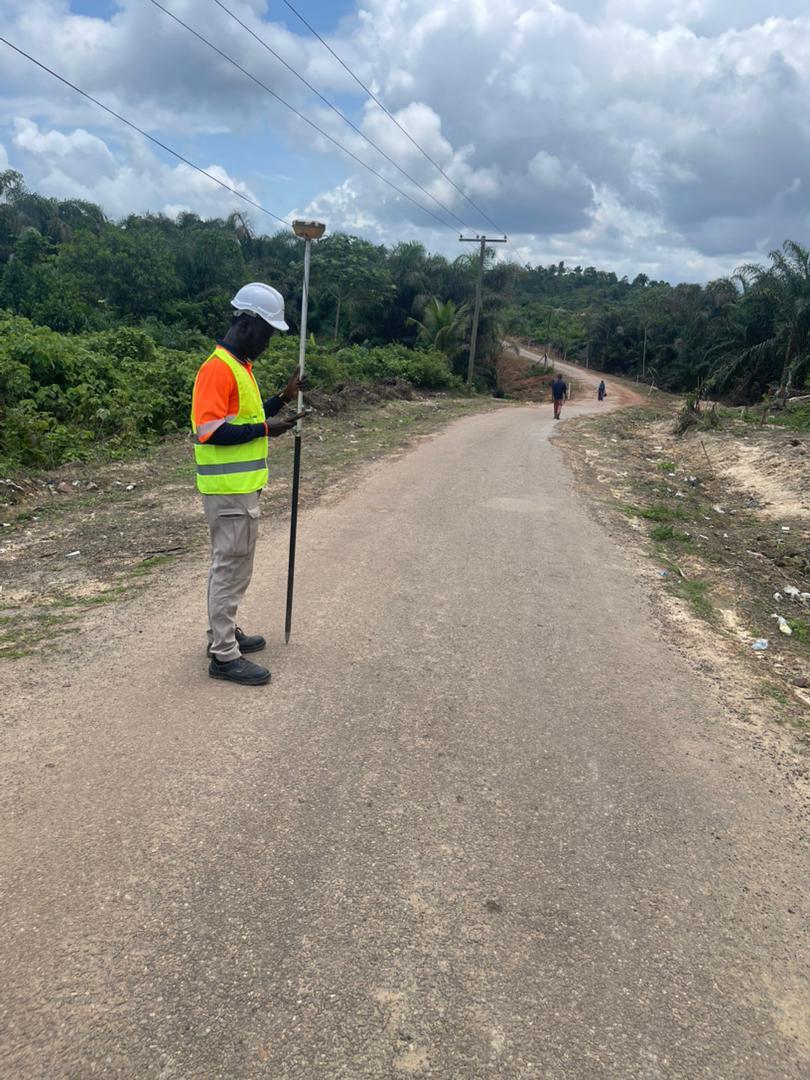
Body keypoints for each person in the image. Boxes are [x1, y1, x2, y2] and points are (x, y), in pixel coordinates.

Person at [191, 282, 307, 687]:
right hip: (228, 490)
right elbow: (210, 431)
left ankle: (222, 635)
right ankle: (224, 656)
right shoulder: (218, 369)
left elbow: (247, 418)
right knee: (230, 567)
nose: (268, 343)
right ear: (245, 323)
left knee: (232, 565)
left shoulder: (240, 368)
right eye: (266, 333)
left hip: (239, 488)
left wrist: (283, 399)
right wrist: (267, 429)